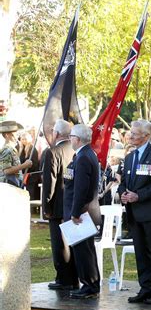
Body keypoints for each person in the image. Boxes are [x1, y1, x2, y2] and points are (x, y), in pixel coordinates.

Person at [118, 120, 151, 304]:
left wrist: (138, 196)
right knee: (140, 253)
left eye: (134, 134)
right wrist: (123, 194)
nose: (130, 136)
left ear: (146, 137)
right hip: (133, 213)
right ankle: (146, 288)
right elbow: (124, 181)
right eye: (130, 133)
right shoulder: (130, 157)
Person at [63, 124, 101, 299]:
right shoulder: (85, 154)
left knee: (83, 250)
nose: (69, 139)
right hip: (83, 210)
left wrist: (75, 212)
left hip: (82, 212)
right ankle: (90, 283)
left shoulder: (84, 157)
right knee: (84, 249)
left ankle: (89, 285)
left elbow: (81, 189)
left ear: (77, 139)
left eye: (71, 136)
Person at [42, 120, 78, 291]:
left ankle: (64, 279)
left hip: (57, 205)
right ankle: (74, 277)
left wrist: (46, 207)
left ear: (56, 134)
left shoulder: (53, 152)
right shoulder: (75, 150)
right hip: (73, 204)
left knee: (60, 244)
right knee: (73, 243)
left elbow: (49, 182)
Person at [0, 120, 32, 186]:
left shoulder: (11, 148)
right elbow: (7, 171)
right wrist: (24, 165)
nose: (17, 136)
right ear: (7, 135)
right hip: (9, 186)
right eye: (15, 134)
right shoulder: (7, 149)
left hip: (13, 184)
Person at [18, 131, 40, 200]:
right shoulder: (20, 149)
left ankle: (32, 209)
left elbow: (34, 164)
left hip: (31, 176)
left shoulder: (32, 149)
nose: (24, 141)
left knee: (31, 195)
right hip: (23, 175)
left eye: (25, 139)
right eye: (22, 139)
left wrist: (24, 166)